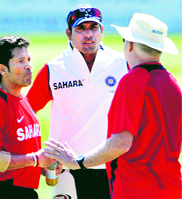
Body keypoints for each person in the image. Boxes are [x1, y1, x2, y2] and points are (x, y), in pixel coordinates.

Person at [44, 13, 182, 199]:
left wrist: (78, 162)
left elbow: (121, 143)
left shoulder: (132, 81)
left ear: (130, 44)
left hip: (135, 189)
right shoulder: (172, 84)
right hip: (172, 187)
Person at [26, 4, 128, 199]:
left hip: (113, 165)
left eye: (93, 28)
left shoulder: (122, 64)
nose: (88, 34)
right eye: (81, 29)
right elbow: (26, 114)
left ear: (102, 31)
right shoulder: (53, 69)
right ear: (68, 33)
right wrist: (38, 156)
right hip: (66, 169)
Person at [0, 36, 59, 199]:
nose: (29, 66)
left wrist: (42, 166)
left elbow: (21, 150)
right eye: (21, 61)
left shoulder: (23, 100)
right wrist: (36, 159)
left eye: (29, 59)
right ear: (3, 69)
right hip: (2, 191)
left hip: (25, 191)